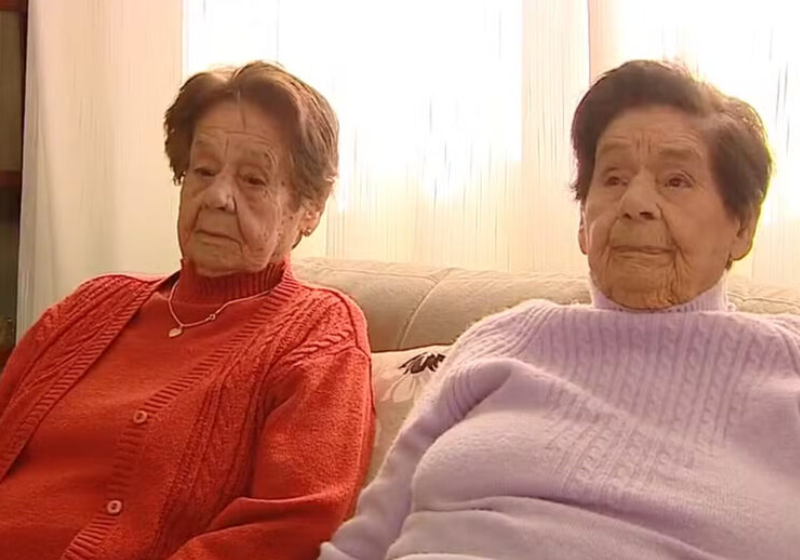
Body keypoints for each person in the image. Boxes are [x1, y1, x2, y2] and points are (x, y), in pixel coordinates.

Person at [319, 60, 800, 560]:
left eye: (676, 181)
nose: (635, 201)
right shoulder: (502, 340)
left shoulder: (787, 363)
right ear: (583, 223)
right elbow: (366, 539)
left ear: (742, 228)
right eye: (613, 178)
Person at [0, 61, 374, 560]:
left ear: (310, 209)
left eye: (253, 179)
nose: (217, 196)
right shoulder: (91, 305)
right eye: (203, 171)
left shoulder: (318, 332)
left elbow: (294, 524)